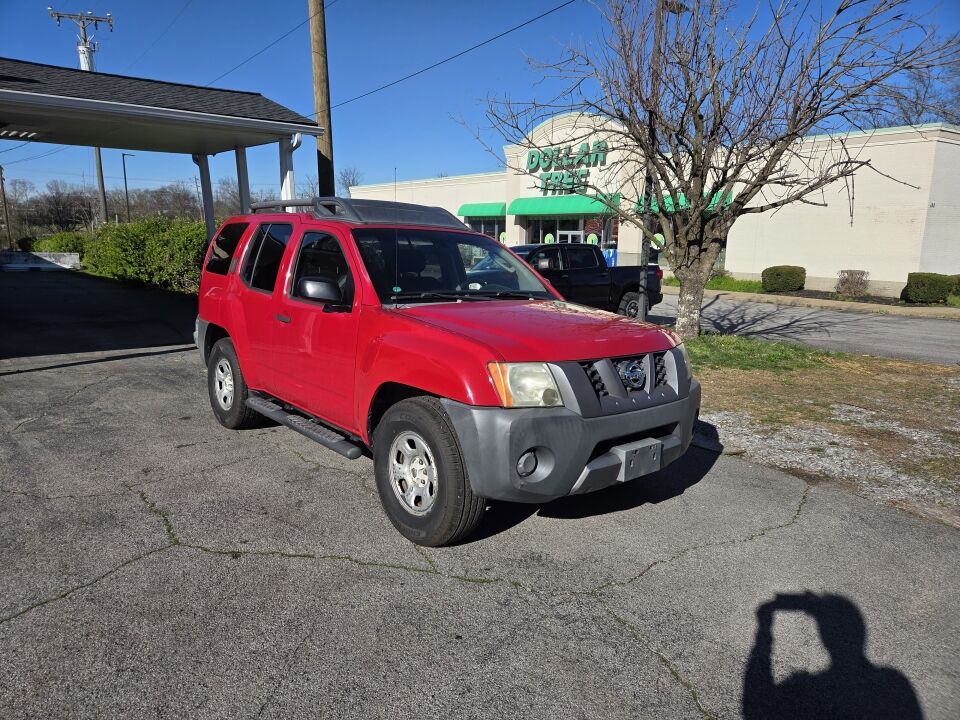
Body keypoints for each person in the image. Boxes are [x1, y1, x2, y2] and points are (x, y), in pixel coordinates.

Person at [742, 592, 923, 719]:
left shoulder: (804, 690)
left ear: (825, 636)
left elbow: (754, 707)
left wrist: (764, 628)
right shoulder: (894, 683)